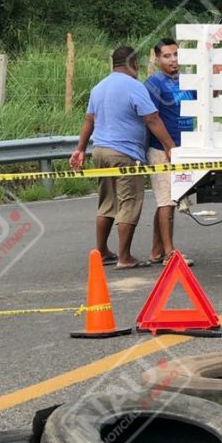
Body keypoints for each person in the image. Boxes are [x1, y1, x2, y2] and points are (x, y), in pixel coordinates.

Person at [70, 47, 175, 270]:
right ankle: (124, 257)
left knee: (107, 202)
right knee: (129, 203)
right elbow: (152, 119)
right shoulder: (134, 86)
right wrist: (169, 146)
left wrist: (80, 149)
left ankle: (102, 251)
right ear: (134, 64)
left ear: (114, 64)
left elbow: (89, 120)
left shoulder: (99, 87)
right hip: (125, 153)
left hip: (100, 151)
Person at [144, 39, 196, 266]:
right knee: (166, 200)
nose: (173, 60)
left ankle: (156, 251)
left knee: (168, 199)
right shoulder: (153, 84)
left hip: (184, 147)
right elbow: (152, 118)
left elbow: (206, 99)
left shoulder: (188, 81)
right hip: (162, 149)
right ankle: (169, 253)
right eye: (167, 56)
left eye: (176, 54)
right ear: (157, 59)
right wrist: (168, 146)